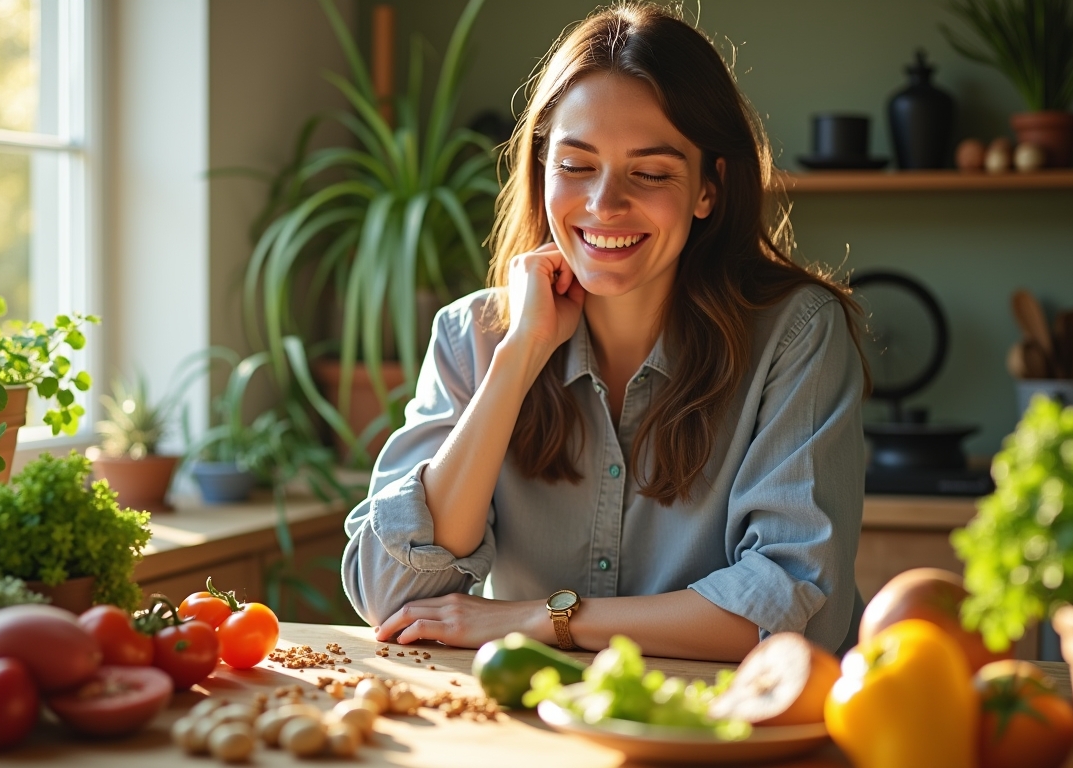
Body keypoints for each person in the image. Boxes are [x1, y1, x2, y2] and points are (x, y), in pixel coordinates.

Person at [342, 2, 868, 663]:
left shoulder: (798, 336)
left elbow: (795, 609)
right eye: (576, 164)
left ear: (709, 188)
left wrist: (539, 619)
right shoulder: (472, 335)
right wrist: (519, 355)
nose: (603, 204)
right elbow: (389, 594)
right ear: (541, 169)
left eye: (649, 172)